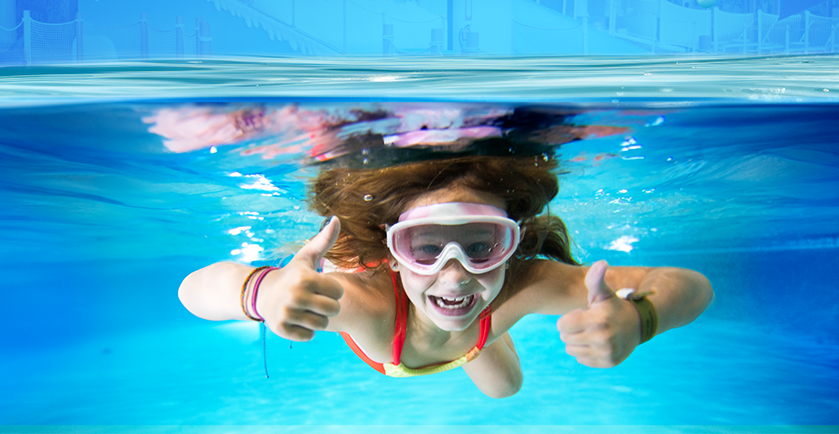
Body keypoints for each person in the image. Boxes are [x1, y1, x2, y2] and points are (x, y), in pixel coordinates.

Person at [179, 149, 714, 398]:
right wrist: (266, 290)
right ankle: (473, 336)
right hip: (409, 338)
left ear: (513, 245)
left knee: (507, 388)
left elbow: (693, 287)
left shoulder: (526, 283)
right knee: (501, 378)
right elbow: (193, 293)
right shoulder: (364, 304)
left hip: (478, 329)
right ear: (393, 254)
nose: (454, 276)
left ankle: (477, 340)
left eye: (482, 246)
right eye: (425, 249)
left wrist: (639, 318)